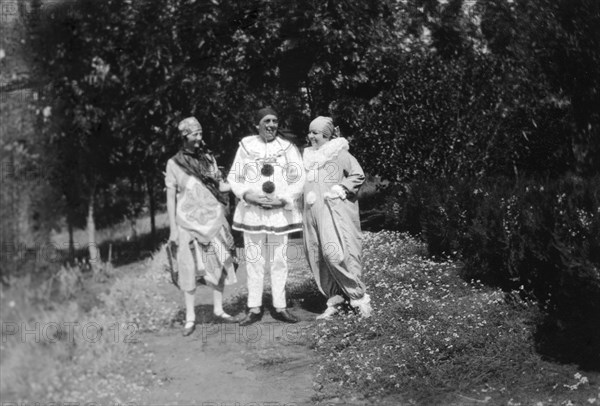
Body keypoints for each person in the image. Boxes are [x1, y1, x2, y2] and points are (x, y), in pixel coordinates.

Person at [227, 107, 305, 325]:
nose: (271, 125)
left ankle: (280, 306)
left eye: (275, 121)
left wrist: (285, 198)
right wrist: (248, 196)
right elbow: (235, 176)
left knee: (279, 259)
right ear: (257, 125)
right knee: (254, 260)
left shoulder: (287, 147)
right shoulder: (246, 145)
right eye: (266, 121)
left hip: (279, 213)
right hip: (252, 213)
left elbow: (298, 176)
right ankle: (254, 307)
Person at [166, 117, 238, 336]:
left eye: (200, 133)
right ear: (184, 136)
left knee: (217, 262)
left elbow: (220, 186)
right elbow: (171, 198)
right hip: (186, 222)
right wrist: (172, 229)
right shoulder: (174, 164)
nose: (199, 138)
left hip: (213, 219)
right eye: (195, 134)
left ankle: (218, 309)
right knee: (187, 268)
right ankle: (190, 317)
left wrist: (242, 185)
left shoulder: (208, 158)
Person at [302, 116, 372, 319]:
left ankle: (358, 298)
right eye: (310, 132)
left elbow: (357, 174)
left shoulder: (339, 154)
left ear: (326, 135)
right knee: (317, 256)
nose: (311, 136)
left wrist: (341, 188)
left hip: (332, 211)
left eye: (315, 133)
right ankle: (336, 299)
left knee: (335, 255)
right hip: (310, 213)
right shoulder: (308, 157)